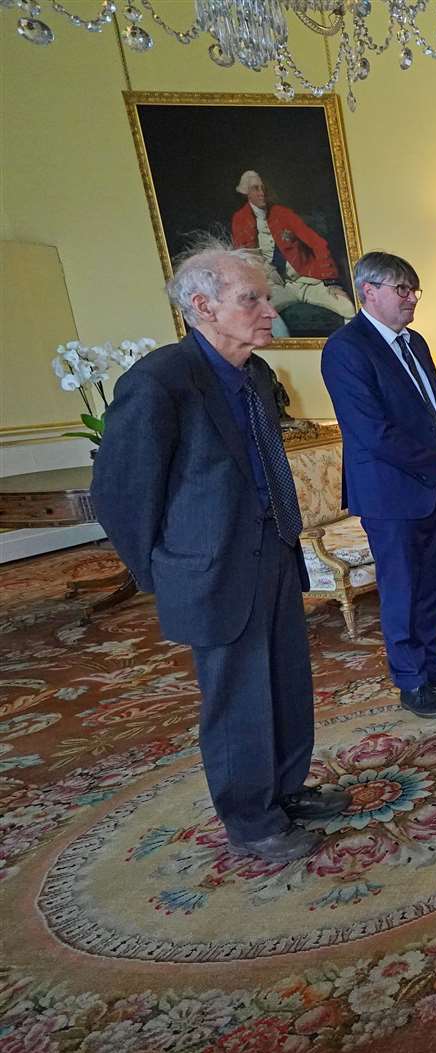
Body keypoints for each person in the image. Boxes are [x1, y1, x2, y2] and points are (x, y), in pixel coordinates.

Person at [91, 240, 345, 863]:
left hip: (273, 550)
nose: (268, 310)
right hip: (210, 567)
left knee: (286, 678)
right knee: (237, 697)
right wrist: (162, 571)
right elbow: (121, 494)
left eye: (266, 296)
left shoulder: (256, 374)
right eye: (251, 298)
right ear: (202, 306)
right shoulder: (159, 381)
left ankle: (286, 790)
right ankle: (251, 819)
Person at [320, 251, 436, 718]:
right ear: (368, 291)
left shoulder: (414, 342)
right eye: (402, 290)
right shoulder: (346, 349)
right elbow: (373, 431)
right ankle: (411, 681)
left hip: (432, 485)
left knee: (435, 582)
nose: (411, 298)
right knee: (402, 587)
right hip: (389, 493)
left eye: (414, 290)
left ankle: (435, 666)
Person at [230, 169, 356, 332]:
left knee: (349, 309)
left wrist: (332, 281)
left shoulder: (282, 213)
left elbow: (318, 244)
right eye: (256, 189)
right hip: (274, 287)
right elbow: (244, 257)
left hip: (305, 281)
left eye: (263, 188)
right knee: (258, 316)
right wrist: (265, 273)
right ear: (247, 192)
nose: (262, 193)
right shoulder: (240, 219)